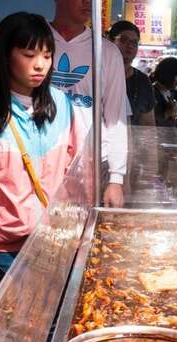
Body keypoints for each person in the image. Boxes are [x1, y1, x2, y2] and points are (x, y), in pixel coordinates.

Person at [0, 13, 82, 272]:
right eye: (29, 55)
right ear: (5, 55)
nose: (40, 65)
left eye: (46, 55)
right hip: (4, 251)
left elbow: (75, 171)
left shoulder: (62, 106)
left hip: (55, 240)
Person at [50, 0, 127, 207]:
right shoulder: (37, 43)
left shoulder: (107, 52)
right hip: (43, 161)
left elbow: (115, 118)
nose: (88, 3)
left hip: (90, 165)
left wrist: (116, 178)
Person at [108, 21, 155, 126]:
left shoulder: (142, 81)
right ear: (109, 41)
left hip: (132, 140)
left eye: (134, 42)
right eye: (124, 40)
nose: (130, 46)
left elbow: (147, 123)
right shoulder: (97, 76)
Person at [152, 57, 177, 127]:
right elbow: (150, 122)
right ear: (168, 75)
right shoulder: (152, 93)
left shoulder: (170, 91)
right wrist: (168, 112)